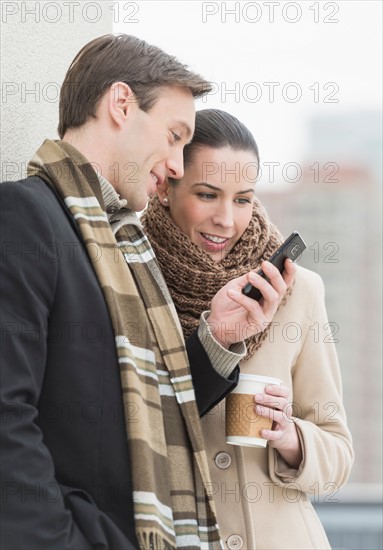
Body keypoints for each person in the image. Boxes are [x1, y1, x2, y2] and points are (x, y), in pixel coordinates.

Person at [0, 36, 294, 550]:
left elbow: (147, 414)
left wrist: (219, 336)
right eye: (175, 136)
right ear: (120, 104)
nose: (178, 165)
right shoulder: (24, 218)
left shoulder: (120, 244)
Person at [142, 109, 354, 550]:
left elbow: (338, 454)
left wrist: (291, 437)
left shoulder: (298, 291)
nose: (226, 219)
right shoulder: (133, 283)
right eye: (207, 194)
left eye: (242, 199)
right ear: (165, 186)